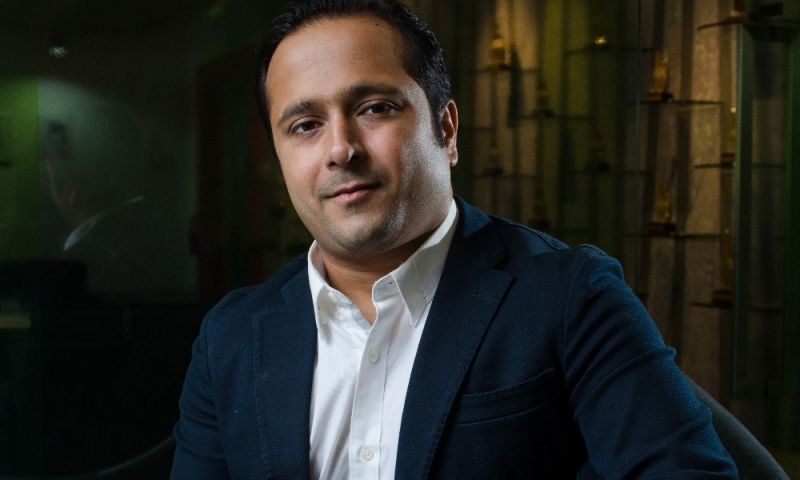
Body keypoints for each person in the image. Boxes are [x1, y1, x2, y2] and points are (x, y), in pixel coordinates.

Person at [172, 0, 737, 478]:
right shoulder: (231, 338)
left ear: (446, 129)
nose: (340, 149)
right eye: (305, 125)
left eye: (374, 108)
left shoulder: (570, 297)